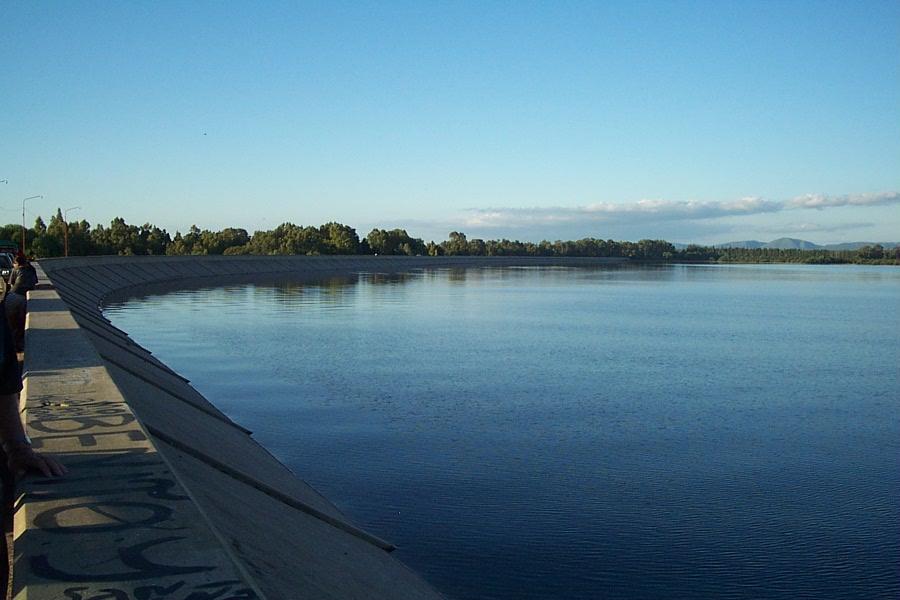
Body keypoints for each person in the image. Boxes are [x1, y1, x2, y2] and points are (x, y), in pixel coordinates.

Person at [4, 255, 38, 352]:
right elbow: (33, 284)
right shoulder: (32, 270)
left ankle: (11, 345)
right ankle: (19, 344)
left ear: (17, 263)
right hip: (25, 298)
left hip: (13, 297)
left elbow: (11, 286)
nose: (13, 265)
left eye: (14, 263)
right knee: (21, 324)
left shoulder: (16, 270)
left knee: (10, 323)